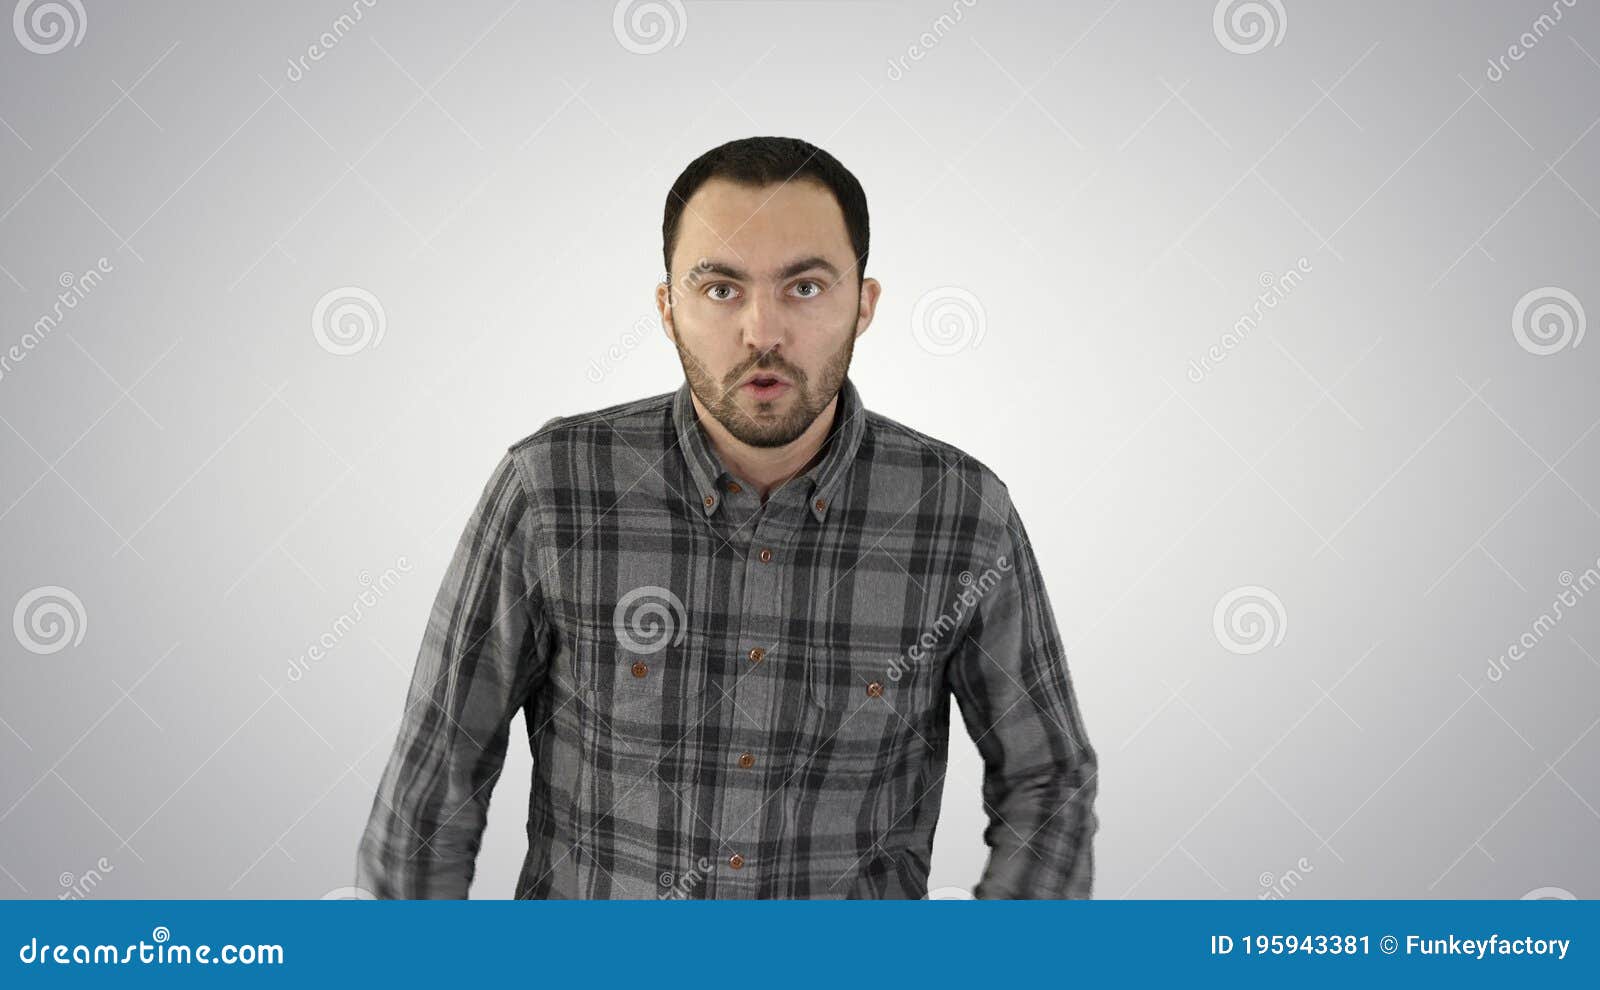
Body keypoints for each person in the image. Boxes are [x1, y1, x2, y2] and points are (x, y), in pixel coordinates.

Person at [355, 136, 1097, 898]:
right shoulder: (552, 490)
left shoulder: (961, 512)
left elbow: (1047, 782)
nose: (763, 332)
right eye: (720, 289)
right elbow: (435, 783)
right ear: (667, 307)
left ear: (863, 305)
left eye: (804, 287)